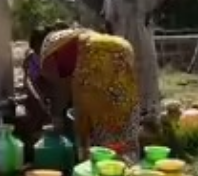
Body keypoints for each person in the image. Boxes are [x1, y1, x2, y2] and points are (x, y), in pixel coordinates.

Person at [38, 26, 142, 158]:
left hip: (93, 58)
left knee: (96, 120)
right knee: (123, 109)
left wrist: (59, 119)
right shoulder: (68, 37)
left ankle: (98, 160)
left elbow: (63, 95)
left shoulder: (48, 58)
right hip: (123, 48)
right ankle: (127, 161)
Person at [102, 0, 175, 120]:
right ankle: (127, 116)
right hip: (123, 47)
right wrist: (111, 45)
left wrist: (154, 13)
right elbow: (107, 22)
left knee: (147, 79)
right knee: (125, 80)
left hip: (144, 45)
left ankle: (149, 116)